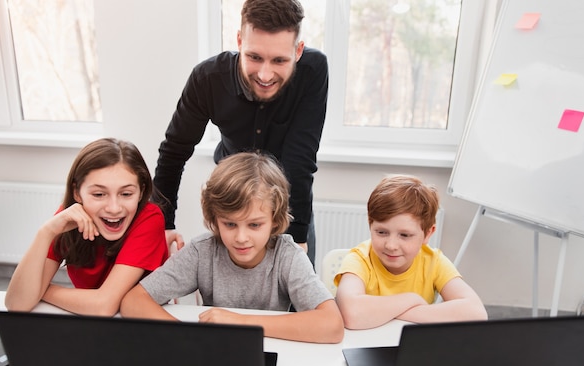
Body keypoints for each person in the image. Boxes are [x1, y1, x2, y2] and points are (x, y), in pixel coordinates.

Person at [154, 0, 328, 265]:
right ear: (238, 41)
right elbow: (174, 152)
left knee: (293, 302)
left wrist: (297, 237)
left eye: (279, 60)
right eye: (254, 57)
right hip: (232, 207)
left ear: (299, 51)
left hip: (289, 207)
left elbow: (301, 160)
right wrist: (163, 224)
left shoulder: (313, 71)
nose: (265, 74)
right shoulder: (208, 78)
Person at [121, 152, 344, 344]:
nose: (241, 237)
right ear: (214, 219)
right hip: (216, 354)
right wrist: (187, 335)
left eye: (255, 225)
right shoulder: (202, 251)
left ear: (275, 220)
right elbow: (134, 301)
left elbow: (332, 324)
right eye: (229, 224)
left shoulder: (288, 255)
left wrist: (240, 323)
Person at [5, 138, 169, 316]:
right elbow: (17, 303)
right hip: (87, 321)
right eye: (99, 194)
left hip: (142, 323)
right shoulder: (70, 218)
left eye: (126, 194)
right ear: (77, 193)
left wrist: (41, 291)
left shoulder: (149, 218)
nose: (114, 208)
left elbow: (103, 306)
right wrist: (45, 232)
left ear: (141, 192)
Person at [334, 174, 488, 329]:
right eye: (381, 232)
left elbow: (476, 313)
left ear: (428, 234)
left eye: (405, 235)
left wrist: (395, 312)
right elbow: (351, 314)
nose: (391, 245)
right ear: (370, 225)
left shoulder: (434, 261)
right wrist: (411, 299)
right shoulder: (359, 259)